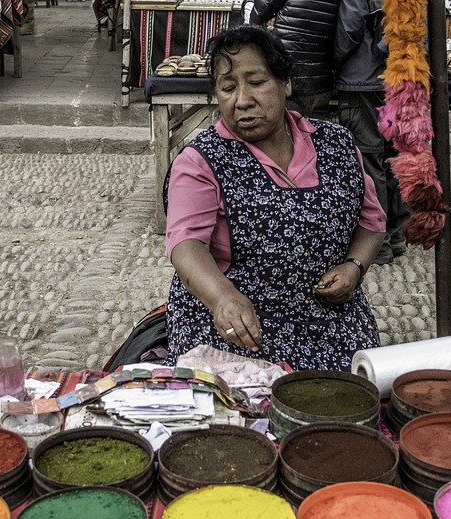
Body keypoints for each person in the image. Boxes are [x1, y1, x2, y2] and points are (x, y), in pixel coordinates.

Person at [163, 25, 387, 372]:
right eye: (227, 88)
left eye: (256, 82)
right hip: (239, 327)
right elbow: (185, 244)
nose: (242, 100)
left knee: (347, 401)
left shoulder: (336, 143)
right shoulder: (201, 160)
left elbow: (372, 222)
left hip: (331, 324)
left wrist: (354, 267)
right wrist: (222, 297)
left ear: (286, 83)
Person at [334, 0, 409, 264]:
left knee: (369, 161)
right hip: (397, 79)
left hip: (363, 81)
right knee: (392, 157)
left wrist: (334, 61)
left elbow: (349, 30)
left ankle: (378, 245)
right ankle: (396, 236)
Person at [249, 0, 340, 117]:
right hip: (321, 85)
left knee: (284, 131)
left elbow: (256, 17)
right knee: (315, 132)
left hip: (288, 82)